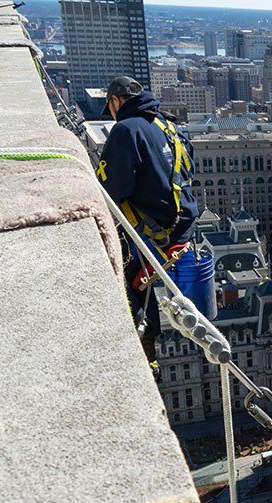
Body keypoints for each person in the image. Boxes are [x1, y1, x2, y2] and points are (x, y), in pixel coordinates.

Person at [96, 75, 198, 373]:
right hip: (182, 224)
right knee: (140, 276)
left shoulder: (125, 130)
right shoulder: (167, 124)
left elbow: (110, 190)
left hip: (157, 232)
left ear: (115, 102)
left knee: (130, 281)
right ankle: (150, 350)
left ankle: (145, 352)